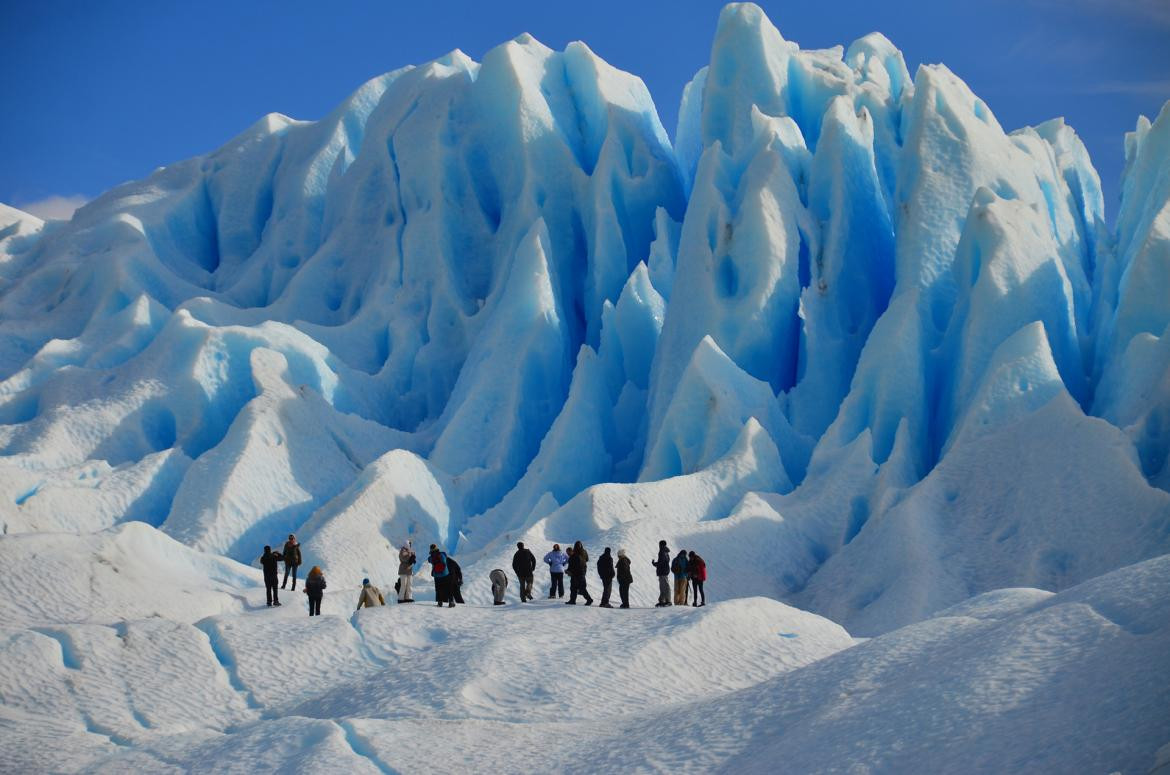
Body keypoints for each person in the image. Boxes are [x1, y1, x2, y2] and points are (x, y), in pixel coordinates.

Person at [566, 541, 592, 605]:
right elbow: (587, 559)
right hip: (582, 572)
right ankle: (588, 600)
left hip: (575, 573)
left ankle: (574, 600)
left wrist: (569, 570)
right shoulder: (584, 552)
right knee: (581, 588)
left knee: (574, 587)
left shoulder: (574, 554)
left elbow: (572, 564)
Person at [652, 540, 671, 607]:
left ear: (660, 545)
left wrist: (655, 564)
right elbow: (665, 561)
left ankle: (667, 601)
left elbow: (661, 562)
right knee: (663, 586)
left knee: (664, 586)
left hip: (663, 571)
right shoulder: (666, 552)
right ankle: (663, 600)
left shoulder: (662, 552)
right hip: (664, 570)